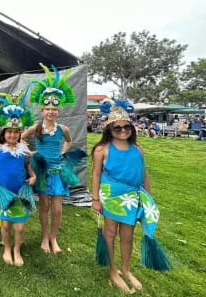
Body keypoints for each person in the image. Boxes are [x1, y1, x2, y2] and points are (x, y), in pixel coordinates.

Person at [91, 100, 171, 293]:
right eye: (117, 128)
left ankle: (126, 269)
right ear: (109, 129)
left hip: (133, 197)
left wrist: (148, 198)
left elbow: (144, 174)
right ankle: (112, 269)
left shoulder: (138, 149)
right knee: (110, 233)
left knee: (127, 235)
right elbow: (96, 174)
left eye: (126, 127)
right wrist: (95, 199)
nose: (122, 130)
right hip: (112, 197)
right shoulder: (102, 149)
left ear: (131, 127)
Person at [21, 64, 79, 254]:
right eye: (47, 109)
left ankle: (54, 238)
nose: (51, 112)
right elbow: (20, 137)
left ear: (58, 111)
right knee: (44, 206)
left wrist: (62, 153)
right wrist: (30, 152)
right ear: (42, 111)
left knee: (58, 209)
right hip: (42, 170)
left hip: (58, 170)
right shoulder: (37, 127)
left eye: (54, 109)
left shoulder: (63, 129)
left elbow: (69, 142)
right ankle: (45, 236)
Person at [0, 91, 36, 266]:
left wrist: (33, 176)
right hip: (4, 192)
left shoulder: (23, 149)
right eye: (9, 132)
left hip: (21, 192)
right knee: (5, 225)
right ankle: (6, 249)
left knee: (20, 226)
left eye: (15, 132)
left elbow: (27, 166)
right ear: (4, 133)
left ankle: (17, 249)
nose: (12, 135)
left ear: (20, 133)